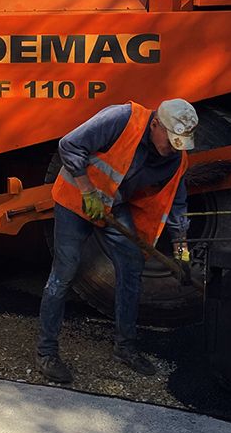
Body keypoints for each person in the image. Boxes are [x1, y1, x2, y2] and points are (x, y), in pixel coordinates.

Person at [36, 99, 197, 384]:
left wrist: (181, 253)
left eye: (180, 142)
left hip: (113, 206)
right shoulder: (122, 118)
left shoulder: (176, 160)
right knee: (65, 272)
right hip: (76, 198)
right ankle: (46, 352)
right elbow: (69, 145)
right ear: (156, 123)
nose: (173, 147)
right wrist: (87, 191)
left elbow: (177, 206)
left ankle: (125, 348)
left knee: (131, 267)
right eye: (171, 140)